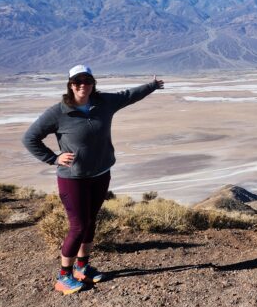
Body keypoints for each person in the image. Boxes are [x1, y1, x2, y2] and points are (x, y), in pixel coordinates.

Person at [23, 65, 164, 295]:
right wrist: (53, 158)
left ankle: (82, 267)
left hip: (101, 174)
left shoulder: (103, 103)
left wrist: (152, 86)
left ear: (93, 84)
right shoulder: (58, 112)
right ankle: (63, 277)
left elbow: (128, 96)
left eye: (87, 81)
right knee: (78, 226)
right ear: (70, 84)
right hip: (73, 178)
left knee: (90, 222)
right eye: (77, 81)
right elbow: (30, 138)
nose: (82, 85)